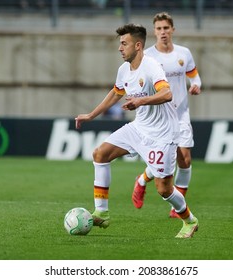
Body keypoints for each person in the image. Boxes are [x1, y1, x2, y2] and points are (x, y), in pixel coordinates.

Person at [75, 23, 198, 238]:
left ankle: (189, 220)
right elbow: (115, 93)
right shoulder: (124, 70)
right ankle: (102, 212)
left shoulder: (151, 66)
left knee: (164, 189)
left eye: (125, 43)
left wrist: (141, 101)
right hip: (139, 128)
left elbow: (167, 93)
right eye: (120, 44)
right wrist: (91, 115)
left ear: (138, 45)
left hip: (162, 134)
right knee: (100, 154)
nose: (120, 48)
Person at [132, 12, 202, 218]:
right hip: (159, 119)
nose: (163, 32)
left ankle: (176, 206)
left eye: (166, 28)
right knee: (164, 162)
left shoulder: (184, 54)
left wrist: (196, 86)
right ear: (154, 32)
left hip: (180, 115)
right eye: (159, 29)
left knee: (185, 160)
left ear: (172, 30)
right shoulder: (147, 56)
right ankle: (142, 180)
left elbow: (195, 78)